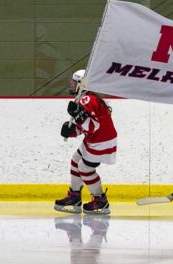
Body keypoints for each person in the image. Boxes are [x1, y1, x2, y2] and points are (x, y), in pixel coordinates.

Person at [55, 69, 117, 215]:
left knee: (84, 168)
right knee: (76, 159)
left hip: (101, 142)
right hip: (96, 139)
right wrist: (72, 131)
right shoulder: (86, 98)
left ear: (81, 84)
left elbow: (93, 126)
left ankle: (101, 201)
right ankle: (74, 196)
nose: (70, 84)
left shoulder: (86, 99)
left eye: (73, 82)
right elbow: (87, 127)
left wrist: (78, 116)